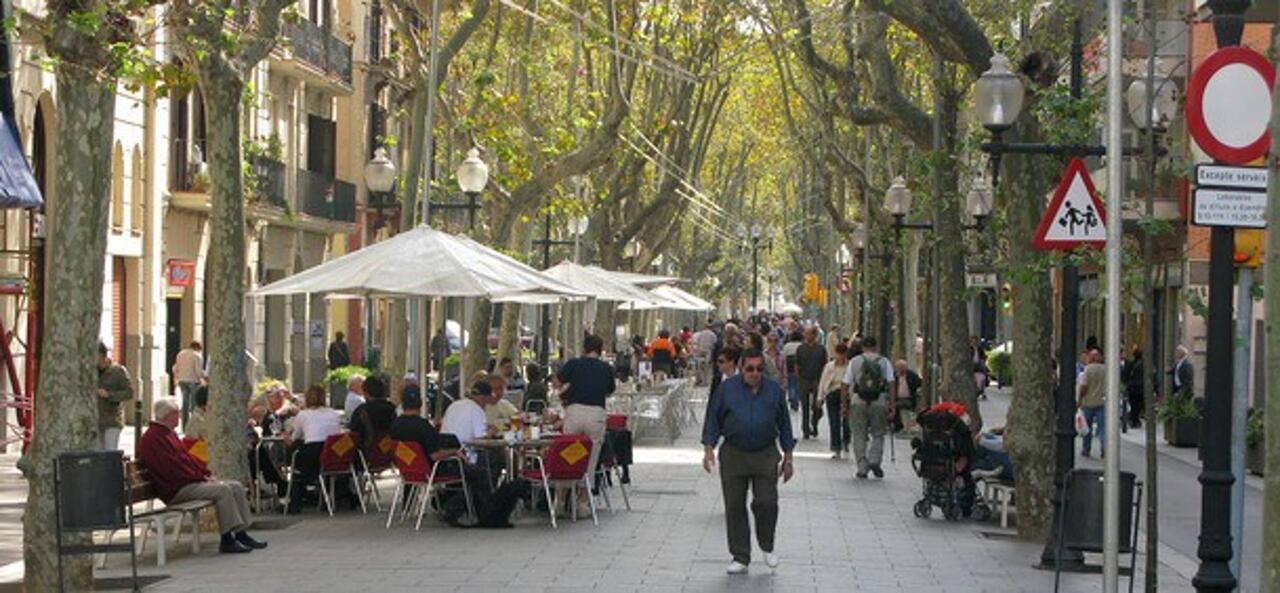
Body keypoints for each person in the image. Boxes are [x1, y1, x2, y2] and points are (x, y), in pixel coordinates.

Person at [701, 348, 795, 575]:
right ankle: (740, 555)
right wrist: (708, 448)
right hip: (734, 452)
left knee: (767, 502)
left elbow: (784, 423)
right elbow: (713, 417)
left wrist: (789, 457)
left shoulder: (773, 390)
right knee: (734, 505)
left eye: (759, 369)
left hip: (765, 453)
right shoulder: (727, 389)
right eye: (750, 369)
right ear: (741, 368)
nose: (755, 373)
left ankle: (766, 543)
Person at [138, 396, 267, 553]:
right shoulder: (154, 438)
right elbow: (172, 469)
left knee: (235, 486)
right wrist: (201, 477)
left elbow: (187, 459)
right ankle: (227, 539)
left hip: (186, 482)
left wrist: (206, 473)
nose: (179, 416)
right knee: (223, 490)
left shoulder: (166, 434)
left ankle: (241, 533)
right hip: (176, 489)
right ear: (168, 415)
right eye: (177, 413)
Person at [553, 334, 615, 482]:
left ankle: (563, 498)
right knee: (591, 459)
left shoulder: (574, 364)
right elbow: (610, 390)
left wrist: (565, 389)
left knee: (569, 456)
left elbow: (557, 382)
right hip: (596, 414)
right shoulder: (606, 368)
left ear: (584, 348)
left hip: (575, 412)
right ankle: (584, 499)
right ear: (600, 350)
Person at [284, 385, 344, 513]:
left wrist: (287, 438)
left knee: (295, 459)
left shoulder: (303, 415)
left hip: (312, 454)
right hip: (333, 454)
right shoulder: (334, 413)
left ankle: (295, 503)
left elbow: (296, 437)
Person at [842, 337, 894, 479]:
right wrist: (892, 406)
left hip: (858, 400)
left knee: (858, 434)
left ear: (862, 347)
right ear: (876, 347)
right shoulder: (884, 361)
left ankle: (862, 466)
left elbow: (845, 384)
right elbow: (891, 384)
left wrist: (844, 405)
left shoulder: (855, 361)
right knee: (878, 433)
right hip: (879, 401)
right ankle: (874, 460)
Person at [389, 388, 461, 464]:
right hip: (430, 471)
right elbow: (435, 455)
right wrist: (454, 452)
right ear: (421, 403)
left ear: (402, 403)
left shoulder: (395, 425)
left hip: (407, 467)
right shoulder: (423, 426)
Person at [97, 342, 134, 451]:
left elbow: (129, 392)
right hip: (94, 419)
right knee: (97, 453)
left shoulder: (118, 371)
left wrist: (109, 395)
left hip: (111, 419)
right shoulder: (90, 371)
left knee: (110, 451)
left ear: (102, 355)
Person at [818, 344, 851, 458]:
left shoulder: (850, 366)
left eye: (843, 353)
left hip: (847, 396)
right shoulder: (829, 366)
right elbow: (823, 382)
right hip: (832, 394)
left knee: (847, 421)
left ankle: (846, 440)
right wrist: (820, 397)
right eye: (839, 353)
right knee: (834, 421)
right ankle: (836, 447)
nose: (841, 356)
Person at [347, 375, 397, 451]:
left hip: (366, 454)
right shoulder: (392, 408)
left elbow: (354, 436)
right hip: (389, 452)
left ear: (366, 393)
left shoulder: (361, 411)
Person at [795, 326, 827, 440]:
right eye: (806, 334)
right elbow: (797, 364)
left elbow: (824, 365)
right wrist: (798, 379)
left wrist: (824, 380)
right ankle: (806, 430)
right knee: (804, 405)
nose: (807, 336)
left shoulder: (821, 349)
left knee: (817, 406)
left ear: (814, 335)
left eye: (809, 334)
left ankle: (814, 422)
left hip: (817, 379)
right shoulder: (801, 348)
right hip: (804, 379)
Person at [441, 380, 494, 445]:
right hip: (463, 450)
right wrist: (492, 432)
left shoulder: (454, 404)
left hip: (444, 448)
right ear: (486, 398)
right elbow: (481, 438)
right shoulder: (476, 409)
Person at [1077, 348, 1106, 458]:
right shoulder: (1105, 369)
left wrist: (1079, 399)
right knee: (1103, 428)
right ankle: (1104, 448)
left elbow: (1084, 386)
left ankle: (1086, 449)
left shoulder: (1088, 369)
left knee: (1086, 428)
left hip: (1088, 402)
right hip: (1101, 402)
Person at [172, 341, 205, 428]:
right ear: (198, 348)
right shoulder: (197, 356)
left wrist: (177, 377)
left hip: (182, 380)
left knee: (185, 403)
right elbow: (198, 371)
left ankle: (184, 425)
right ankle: (193, 425)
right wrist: (205, 377)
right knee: (194, 404)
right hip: (193, 381)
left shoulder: (180, 354)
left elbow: (175, 368)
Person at [891, 359, 922, 433]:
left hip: (909, 398)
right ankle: (901, 427)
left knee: (906, 411)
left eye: (902, 367)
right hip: (897, 398)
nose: (899, 369)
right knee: (900, 410)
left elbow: (919, 383)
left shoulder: (911, 375)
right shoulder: (894, 376)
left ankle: (907, 427)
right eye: (898, 367)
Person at [1122, 347, 1145, 429]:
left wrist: (1127, 382)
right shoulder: (1145, 364)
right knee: (1139, 404)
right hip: (1141, 388)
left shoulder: (1130, 364)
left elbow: (1124, 374)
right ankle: (1135, 419)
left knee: (1133, 404)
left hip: (1132, 388)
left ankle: (1134, 419)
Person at [781, 330, 803, 412]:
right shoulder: (801, 345)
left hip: (789, 366)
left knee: (791, 383)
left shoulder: (787, 345)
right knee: (797, 384)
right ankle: (796, 400)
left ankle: (791, 397)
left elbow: (783, 356)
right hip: (799, 366)